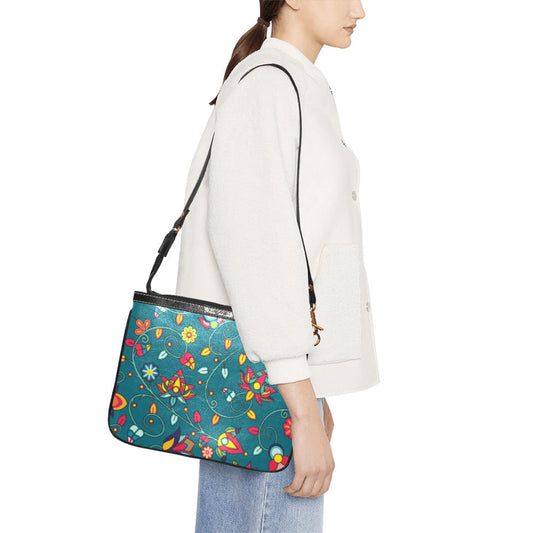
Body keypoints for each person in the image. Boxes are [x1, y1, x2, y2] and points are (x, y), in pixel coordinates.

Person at [174, 1, 380, 531]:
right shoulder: (267, 88)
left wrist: (312, 391)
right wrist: (303, 410)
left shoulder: (293, 84)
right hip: (262, 376)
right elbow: (257, 252)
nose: (359, 10)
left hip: (278, 372)